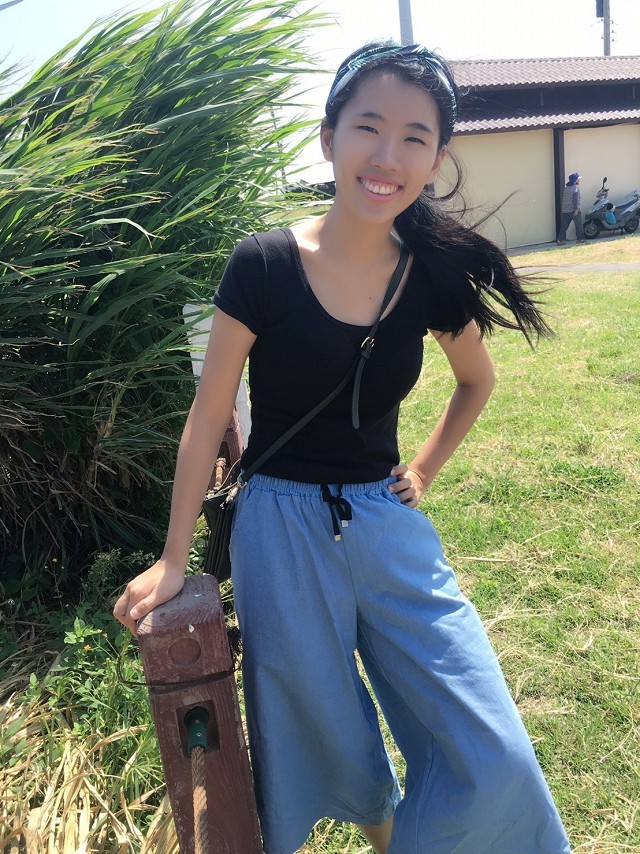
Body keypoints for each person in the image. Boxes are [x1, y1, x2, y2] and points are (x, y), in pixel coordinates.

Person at [114, 41, 571, 854]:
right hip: (277, 526)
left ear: (435, 159)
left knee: (489, 743)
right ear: (329, 138)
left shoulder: (430, 276)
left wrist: (422, 468)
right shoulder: (262, 264)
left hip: (385, 523)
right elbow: (207, 415)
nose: (387, 155)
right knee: (324, 734)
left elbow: (476, 380)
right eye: (368, 127)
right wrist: (174, 559)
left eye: (414, 137)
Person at [557, 171, 586, 244]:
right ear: (575, 180)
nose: (579, 180)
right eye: (578, 179)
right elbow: (575, 199)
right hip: (573, 211)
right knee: (579, 226)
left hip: (565, 211)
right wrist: (576, 209)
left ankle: (560, 240)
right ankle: (580, 239)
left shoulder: (567, 188)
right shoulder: (575, 188)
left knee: (564, 227)